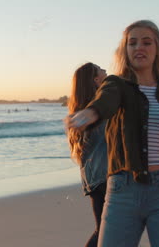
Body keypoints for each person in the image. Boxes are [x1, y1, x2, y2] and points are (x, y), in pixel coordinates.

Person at [65, 20, 159, 246]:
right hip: (124, 191)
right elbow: (106, 100)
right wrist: (92, 113)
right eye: (133, 43)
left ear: (157, 48)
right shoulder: (117, 85)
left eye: (146, 42)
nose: (139, 47)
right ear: (125, 50)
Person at [66, 62, 108, 247]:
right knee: (105, 231)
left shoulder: (82, 110)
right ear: (96, 80)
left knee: (104, 230)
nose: (106, 71)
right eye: (101, 69)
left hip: (92, 179)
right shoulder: (98, 111)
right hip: (104, 177)